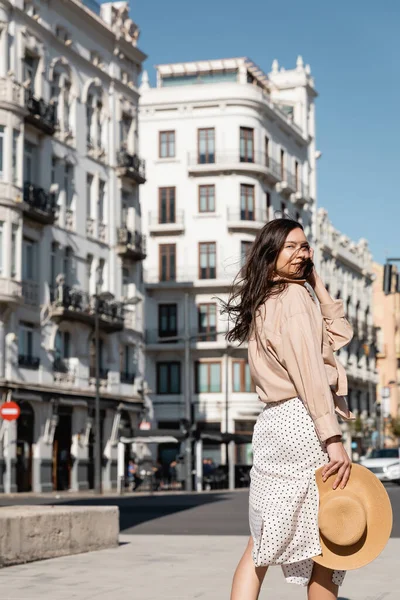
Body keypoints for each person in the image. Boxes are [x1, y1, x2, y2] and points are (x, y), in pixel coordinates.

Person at [220, 218, 355, 600]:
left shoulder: (269, 298)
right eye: (291, 247)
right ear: (271, 253)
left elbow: (340, 334)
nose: (302, 254)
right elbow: (311, 375)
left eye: (305, 246)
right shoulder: (293, 301)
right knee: (329, 538)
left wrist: (318, 285)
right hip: (304, 421)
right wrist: (333, 439)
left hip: (275, 424)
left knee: (262, 541)